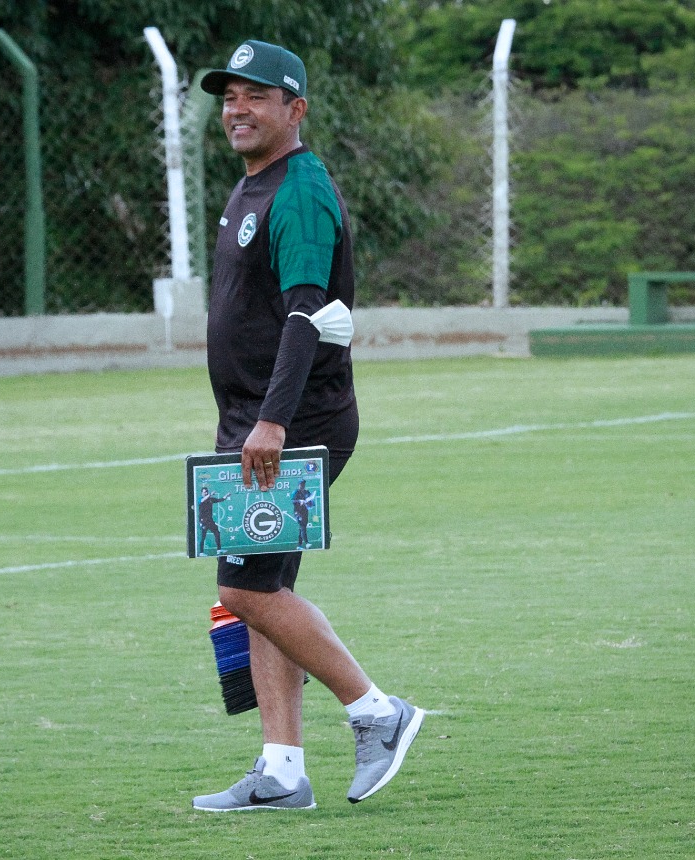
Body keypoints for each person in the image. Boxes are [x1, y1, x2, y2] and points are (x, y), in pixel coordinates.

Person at [191, 39, 425, 812]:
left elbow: (306, 312)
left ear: (295, 109)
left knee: (247, 586)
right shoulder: (249, 188)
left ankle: (376, 712)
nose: (237, 109)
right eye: (229, 96)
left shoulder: (299, 190)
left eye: (255, 96)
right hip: (254, 424)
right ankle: (283, 771)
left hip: (294, 424)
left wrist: (273, 421)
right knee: (262, 588)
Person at [197, 486, 229, 555]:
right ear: (202, 493)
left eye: (206, 492)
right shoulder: (200, 499)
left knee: (217, 533)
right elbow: (202, 500)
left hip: (210, 521)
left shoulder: (210, 499)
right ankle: (201, 552)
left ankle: (219, 549)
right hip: (203, 521)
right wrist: (210, 494)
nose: (206, 493)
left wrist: (226, 496)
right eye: (204, 492)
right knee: (203, 536)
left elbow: (220, 499)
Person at [290, 479, 313, 549]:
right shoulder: (296, 492)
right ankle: (307, 543)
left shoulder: (307, 492)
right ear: (299, 485)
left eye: (303, 484)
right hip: (298, 513)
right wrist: (300, 501)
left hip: (305, 512)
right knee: (302, 527)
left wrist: (308, 503)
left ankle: (299, 545)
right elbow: (292, 501)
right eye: (301, 484)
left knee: (302, 528)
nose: (302, 486)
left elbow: (311, 502)